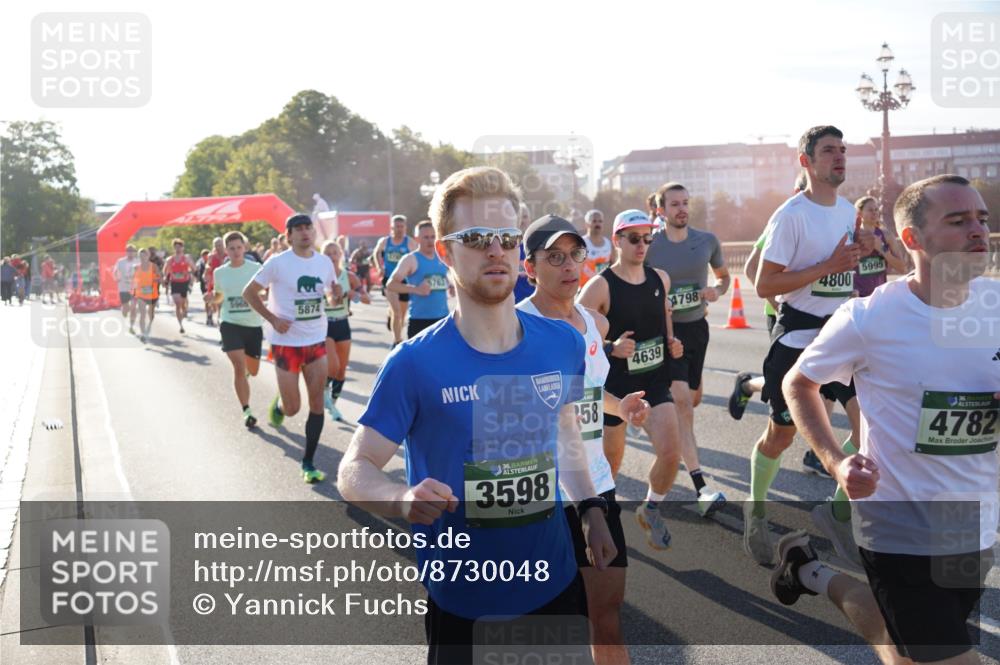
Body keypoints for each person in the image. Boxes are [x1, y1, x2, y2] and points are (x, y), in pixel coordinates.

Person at [338, 167, 617, 665]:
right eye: (477, 238)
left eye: (507, 238)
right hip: (465, 609)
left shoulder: (564, 344)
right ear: (445, 252)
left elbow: (566, 432)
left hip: (556, 586)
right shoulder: (414, 363)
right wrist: (400, 498)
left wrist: (592, 510)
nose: (496, 250)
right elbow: (354, 469)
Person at [774, 174, 997, 665]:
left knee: (904, 653)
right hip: (899, 524)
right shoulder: (869, 318)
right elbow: (799, 383)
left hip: (975, 523)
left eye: (981, 218)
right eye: (958, 221)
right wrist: (835, 462)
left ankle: (810, 572)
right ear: (913, 239)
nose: (978, 231)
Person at [518, 213, 650, 665]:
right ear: (529, 266)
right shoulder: (517, 328)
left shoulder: (593, 323)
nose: (569, 265)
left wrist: (621, 406)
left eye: (575, 255)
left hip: (596, 486)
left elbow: (588, 394)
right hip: (539, 496)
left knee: (607, 615)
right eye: (554, 257)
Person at [742, 125, 874, 566]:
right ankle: (756, 509)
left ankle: (837, 514)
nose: (839, 157)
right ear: (806, 162)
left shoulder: (845, 212)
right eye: (828, 151)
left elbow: (840, 272)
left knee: (869, 431)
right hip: (798, 337)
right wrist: (828, 266)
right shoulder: (791, 214)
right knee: (780, 438)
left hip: (840, 334)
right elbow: (764, 284)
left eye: (842, 150)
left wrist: (854, 259)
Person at [578, 208, 685, 549]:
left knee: (671, 453)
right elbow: (573, 331)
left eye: (648, 238)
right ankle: (601, 523)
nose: (642, 245)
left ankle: (651, 507)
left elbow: (664, 314)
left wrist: (672, 341)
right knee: (611, 463)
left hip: (653, 381)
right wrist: (610, 347)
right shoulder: (600, 286)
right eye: (634, 238)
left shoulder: (660, 279)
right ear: (617, 241)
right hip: (614, 388)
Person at [646, 182, 730, 515]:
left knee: (690, 400)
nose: (681, 209)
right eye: (674, 204)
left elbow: (723, 277)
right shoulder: (651, 246)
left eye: (685, 203)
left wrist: (717, 291)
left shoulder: (706, 241)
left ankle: (676, 443)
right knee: (682, 402)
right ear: (661, 210)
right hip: (667, 333)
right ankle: (701, 485)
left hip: (698, 329)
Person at [243, 214, 335, 483]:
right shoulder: (278, 263)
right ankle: (282, 407)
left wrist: (335, 295)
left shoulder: (324, 261)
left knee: (317, 403)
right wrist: (273, 319)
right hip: (286, 344)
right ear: (289, 236)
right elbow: (249, 292)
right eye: (299, 229)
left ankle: (308, 462)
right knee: (294, 407)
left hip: (316, 339)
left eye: (309, 228)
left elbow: (328, 291)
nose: (305, 232)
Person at [211, 232, 264, 429]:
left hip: (252, 324)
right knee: (238, 367)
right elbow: (220, 297)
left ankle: (246, 377)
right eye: (231, 248)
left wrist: (265, 299)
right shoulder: (220, 272)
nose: (235, 251)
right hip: (229, 323)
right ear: (226, 250)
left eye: (238, 247)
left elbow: (264, 292)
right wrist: (212, 300)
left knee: (253, 370)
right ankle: (247, 410)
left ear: (245, 248)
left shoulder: (257, 269)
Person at [321, 240, 370, 422]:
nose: (332, 257)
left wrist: (352, 295)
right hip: (325, 324)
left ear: (340, 255)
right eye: (328, 253)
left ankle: (332, 402)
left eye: (335, 253)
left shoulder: (350, 277)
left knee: (341, 371)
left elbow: (366, 299)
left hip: (342, 323)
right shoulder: (318, 276)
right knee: (332, 366)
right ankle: (326, 396)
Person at [388, 220, 454, 339]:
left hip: (443, 319)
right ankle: (396, 339)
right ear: (417, 239)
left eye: (433, 237)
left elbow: (440, 276)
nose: (430, 241)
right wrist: (416, 289)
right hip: (420, 321)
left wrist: (450, 286)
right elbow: (391, 285)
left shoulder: (442, 257)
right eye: (426, 237)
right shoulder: (410, 259)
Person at [373, 215, 417, 346]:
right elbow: (376, 253)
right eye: (397, 226)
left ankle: (390, 314)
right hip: (389, 280)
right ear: (392, 228)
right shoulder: (385, 241)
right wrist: (379, 267)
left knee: (402, 315)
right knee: (397, 312)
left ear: (405, 227)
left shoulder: (409, 242)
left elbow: (417, 257)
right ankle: (397, 341)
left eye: (402, 226)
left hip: (404, 281)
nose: (399, 229)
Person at [853, 195, 908, 298]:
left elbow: (903, 268)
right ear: (859, 214)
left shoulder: (886, 235)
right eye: (870, 210)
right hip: (858, 297)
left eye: (876, 209)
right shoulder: (853, 235)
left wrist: (882, 249)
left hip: (879, 297)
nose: (874, 212)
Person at [164, 239, 193, 332]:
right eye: (176, 247)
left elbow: (194, 268)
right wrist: (165, 278)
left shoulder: (186, 258)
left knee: (183, 304)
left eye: (179, 247)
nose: (177, 249)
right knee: (177, 304)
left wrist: (187, 272)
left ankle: (184, 311)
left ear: (182, 247)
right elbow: (165, 270)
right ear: (174, 248)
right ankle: (181, 326)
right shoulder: (169, 259)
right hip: (175, 283)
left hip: (184, 283)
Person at [131, 248, 161, 343]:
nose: (143, 257)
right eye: (141, 256)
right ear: (138, 257)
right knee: (142, 314)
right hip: (141, 294)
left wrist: (156, 280)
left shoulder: (154, 266)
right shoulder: (136, 267)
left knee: (151, 314)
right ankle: (143, 334)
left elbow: (160, 277)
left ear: (148, 256)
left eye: (145, 255)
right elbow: (133, 280)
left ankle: (148, 327)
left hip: (152, 293)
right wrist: (134, 292)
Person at [580, 209, 613, 286]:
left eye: (600, 221)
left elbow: (612, 265)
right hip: (584, 288)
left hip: (602, 288)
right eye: (594, 221)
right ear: (586, 224)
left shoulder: (608, 243)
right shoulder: (581, 243)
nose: (597, 224)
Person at [512, 203, 535, 303]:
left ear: (530, 219)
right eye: (519, 217)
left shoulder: (537, 245)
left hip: (534, 302)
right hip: (512, 302)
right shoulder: (505, 245)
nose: (522, 220)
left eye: (525, 217)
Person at [113, 245, 139, 321]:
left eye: (132, 251)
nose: (130, 252)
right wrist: (116, 277)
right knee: (125, 308)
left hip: (135, 287)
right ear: (126, 252)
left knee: (134, 306)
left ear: (134, 252)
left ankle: (132, 323)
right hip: (123, 287)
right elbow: (115, 271)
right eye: (128, 251)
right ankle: (125, 312)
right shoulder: (120, 261)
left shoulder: (138, 261)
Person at [205, 237, 227, 327]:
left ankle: (222, 324)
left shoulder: (228, 255)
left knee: (223, 307)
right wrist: (207, 268)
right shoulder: (211, 256)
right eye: (216, 245)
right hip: (215, 284)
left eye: (220, 245)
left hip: (227, 283)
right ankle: (219, 324)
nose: (218, 247)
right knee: (219, 306)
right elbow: (207, 265)